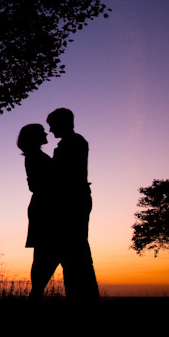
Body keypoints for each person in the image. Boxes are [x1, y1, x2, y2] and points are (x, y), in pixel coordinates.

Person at [46, 107, 99, 300]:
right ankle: (81, 298)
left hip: (73, 202)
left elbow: (65, 174)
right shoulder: (72, 143)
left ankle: (83, 299)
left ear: (61, 123)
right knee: (74, 253)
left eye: (52, 125)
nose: (50, 130)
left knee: (76, 253)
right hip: (74, 199)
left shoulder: (73, 143)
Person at [17, 123, 59, 299]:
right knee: (45, 253)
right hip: (44, 209)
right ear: (34, 137)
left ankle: (36, 295)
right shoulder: (35, 156)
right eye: (42, 133)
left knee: (45, 254)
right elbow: (34, 185)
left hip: (44, 207)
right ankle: (35, 296)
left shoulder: (37, 155)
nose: (47, 134)